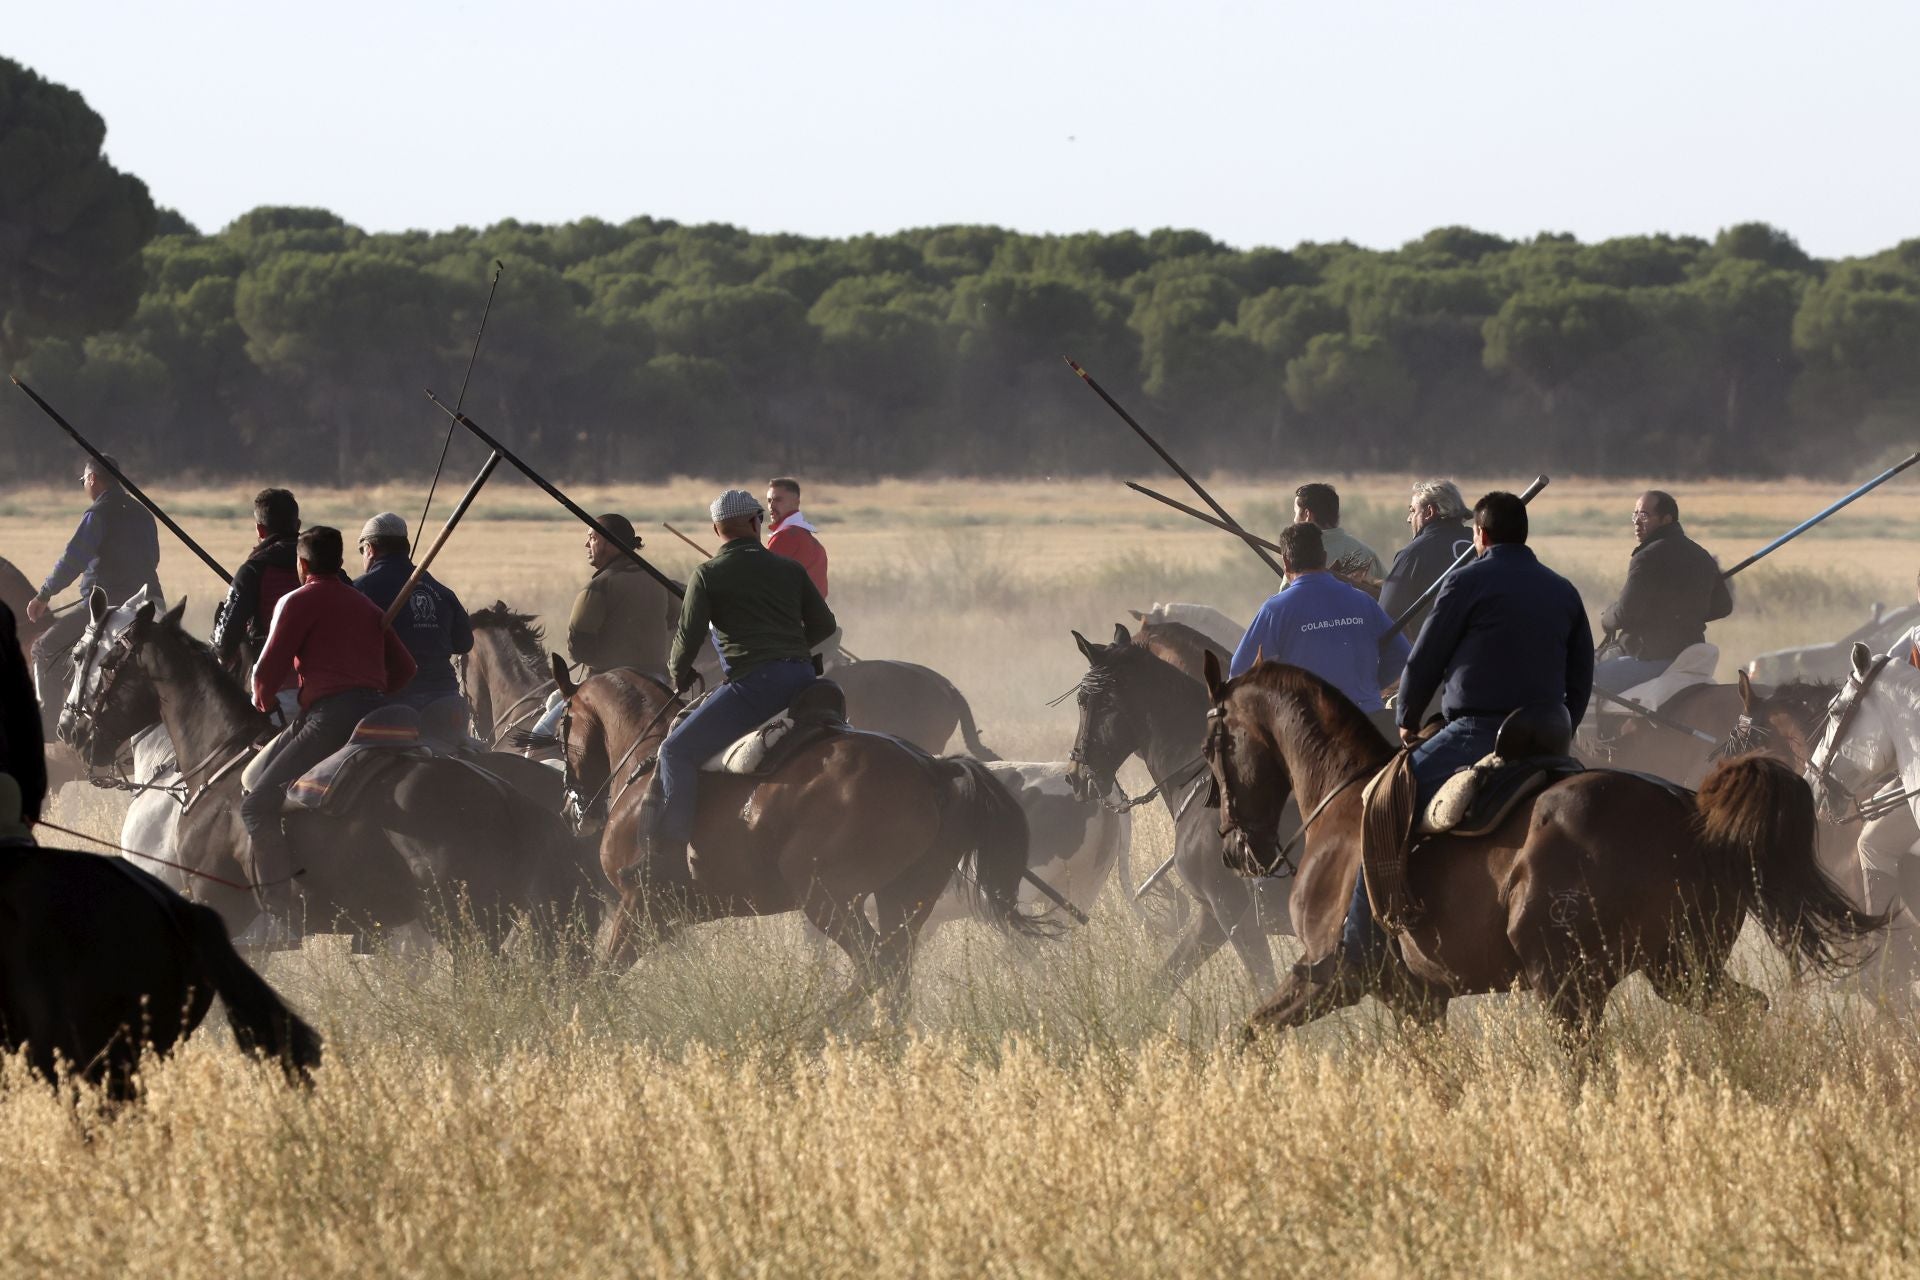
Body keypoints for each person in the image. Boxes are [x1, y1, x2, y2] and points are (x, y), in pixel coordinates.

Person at [1309, 491, 1594, 994]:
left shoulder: (1466, 581)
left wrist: (1406, 717)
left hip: (1477, 732)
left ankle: (1357, 949)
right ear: (1522, 533)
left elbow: (1424, 659)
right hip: (1549, 735)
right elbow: (1581, 672)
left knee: (1380, 799)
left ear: (1480, 535)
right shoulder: (1562, 588)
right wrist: (1564, 723)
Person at [641, 490, 837, 870]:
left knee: (675, 751)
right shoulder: (789, 569)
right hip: (804, 679)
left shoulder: (708, 574)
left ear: (717, 530)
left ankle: (668, 859)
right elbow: (825, 626)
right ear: (755, 522)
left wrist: (678, 675)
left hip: (756, 688)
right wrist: (794, 649)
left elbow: (687, 637)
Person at [242, 527, 416, 935]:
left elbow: (265, 676)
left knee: (256, 807)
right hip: (379, 713)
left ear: (302, 565)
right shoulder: (365, 603)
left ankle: (280, 915)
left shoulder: (296, 600)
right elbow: (406, 669)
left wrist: (262, 704)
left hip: (329, 719)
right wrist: (369, 687)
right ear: (340, 560)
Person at [1230, 524, 1411, 740]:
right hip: (1370, 721)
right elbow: (1402, 655)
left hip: (1312, 731)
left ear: (1286, 562)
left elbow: (1240, 673)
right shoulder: (1363, 601)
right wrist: (1370, 685)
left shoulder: (1275, 610)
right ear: (1324, 558)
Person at [26, 456, 163, 735]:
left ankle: (48, 730)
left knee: (44, 649)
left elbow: (73, 560)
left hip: (108, 608)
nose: (84, 486)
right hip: (151, 605)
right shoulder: (142, 513)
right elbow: (154, 559)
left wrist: (44, 595)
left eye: (83, 481)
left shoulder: (98, 514)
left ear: (92, 479)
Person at [1594, 490, 1733, 693]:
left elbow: (1625, 613)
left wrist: (1606, 618)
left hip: (1651, 657)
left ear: (1666, 519)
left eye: (1644, 515)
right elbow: (1723, 607)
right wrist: (1684, 614)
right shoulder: (1702, 556)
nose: (1636, 522)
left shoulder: (1646, 557)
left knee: (1580, 679)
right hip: (1689, 653)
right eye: (1635, 515)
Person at [352, 513, 473, 713]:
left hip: (388, 705)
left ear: (370, 549)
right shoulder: (442, 592)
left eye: (362, 551)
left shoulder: (360, 590)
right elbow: (464, 643)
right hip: (446, 700)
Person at [212, 487, 306, 720]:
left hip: (276, 698)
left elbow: (224, 644)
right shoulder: (331, 568)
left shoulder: (253, 571)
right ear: (298, 525)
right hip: (333, 694)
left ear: (260, 529)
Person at [566, 514, 674, 679]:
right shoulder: (661, 582)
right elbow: (676, 622)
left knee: (554, 703)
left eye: (592, 538)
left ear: (610, 544)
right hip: (659, 679)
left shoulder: (598, 586)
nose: (586, 544)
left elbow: (579, 648)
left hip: (609, 680)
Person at [1378, 479, 1475, 641]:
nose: (1409, 519)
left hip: (1438, 659)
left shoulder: (1413, 555)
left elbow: (1385, 617)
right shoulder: (1485, 545)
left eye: (1412, 510)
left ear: (1429, 512)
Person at [1293, 482, 1384, 581]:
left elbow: (1286, 595)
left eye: (1295, 513)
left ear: (1307, 515)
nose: (1294, 520)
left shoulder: (1301, 555)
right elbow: (1389, 592)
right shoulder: (1367, 553)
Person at [765, 476, 828, 599]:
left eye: (778, 500)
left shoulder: (786, 537)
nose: (771, 506)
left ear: (796, 502)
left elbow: (764, 580)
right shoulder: (809, 539)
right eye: (769, 501)